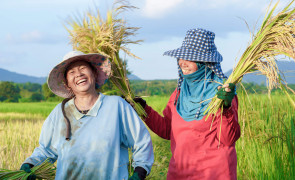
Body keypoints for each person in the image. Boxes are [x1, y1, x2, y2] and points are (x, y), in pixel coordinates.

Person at [20, 51, 154, 180]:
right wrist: (30, 164)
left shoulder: (116, 106)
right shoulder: (60, 113)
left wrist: (139, 173)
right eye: (72, 72)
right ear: (67, 84)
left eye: (83, 68)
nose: (78, 74)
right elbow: (46, 150)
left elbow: (141, 142)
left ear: (94, 74)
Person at [134, 28, 240, 179]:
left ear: (205, 62)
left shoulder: (222, 93)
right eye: (180, 58)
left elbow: (228, 140)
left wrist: (226, 108)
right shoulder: (178, 93)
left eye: (189, 58)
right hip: (180, 172)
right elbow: (167, 130)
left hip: (213, 173)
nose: (182, 63)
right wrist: (144, 110)